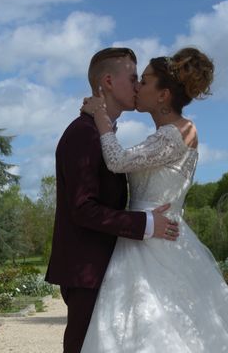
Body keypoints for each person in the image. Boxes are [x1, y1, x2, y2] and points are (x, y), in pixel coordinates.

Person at [79, 47, 228, 352]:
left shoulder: (175, 134)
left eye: (145, 80)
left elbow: (116, 161)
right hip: (148, 235)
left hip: (154, 242)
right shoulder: (172, 132)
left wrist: (100, 116)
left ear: (163, 95)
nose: (138, 86)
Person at [45, 47, 182, 353]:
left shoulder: (100, 134)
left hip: (106, 267)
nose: (137, 86)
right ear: (108, 81)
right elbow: (83, 209)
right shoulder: (82, 134)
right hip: (87, 271)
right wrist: (147, 223)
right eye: (133, 78)